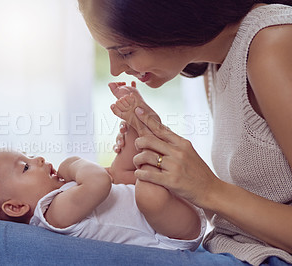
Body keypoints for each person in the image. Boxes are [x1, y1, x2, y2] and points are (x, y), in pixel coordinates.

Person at [77, 0, 292, 265]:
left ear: (168, 21)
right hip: (230, 250)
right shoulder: (217, 63)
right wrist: (156, 143)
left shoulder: (273, 46)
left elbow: (216, 194)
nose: (115, 69)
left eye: (125, 51)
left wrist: (210, 189)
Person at [0, 90, 206, 251]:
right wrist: (72, 163)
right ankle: (147, 134)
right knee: (146, 193)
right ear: (16, 207)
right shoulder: (52, 216)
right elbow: (99, 182)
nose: (39, 159)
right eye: (25, 167)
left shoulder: (62, 195)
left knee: (121, 170)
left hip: (163, 212)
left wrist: (117, 164)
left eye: (30, 156)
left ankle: (137, 123)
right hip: (168, 235)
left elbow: (108, 180)